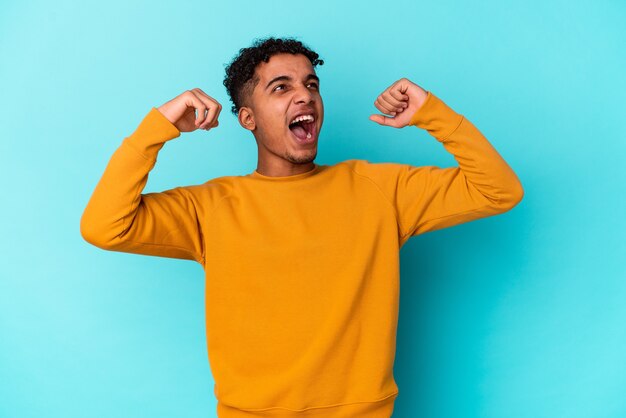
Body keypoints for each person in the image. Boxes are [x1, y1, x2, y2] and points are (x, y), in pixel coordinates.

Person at [80, 36, 523, 417]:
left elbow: (498, 190)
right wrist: (156, 129)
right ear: (248, 118)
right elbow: (105, 226)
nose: (305, 95)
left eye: (312, 85)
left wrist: (433, 115)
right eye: (281, 87)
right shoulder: (210, 207)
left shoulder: (379, 189)